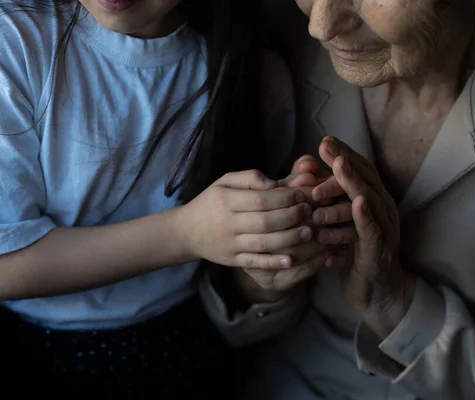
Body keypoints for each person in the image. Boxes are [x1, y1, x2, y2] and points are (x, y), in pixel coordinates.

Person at [201, 0, 475, 399]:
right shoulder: (270, 40)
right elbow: (222, 322)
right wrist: (263, 275)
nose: (320, 26)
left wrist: (393, 301)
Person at [0, 0, 317, 397]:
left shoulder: (252, 76)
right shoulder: (17, 38)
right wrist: (185, 233)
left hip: (181, 344)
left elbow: (243, 277)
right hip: (28, 348)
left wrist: (278, 221)